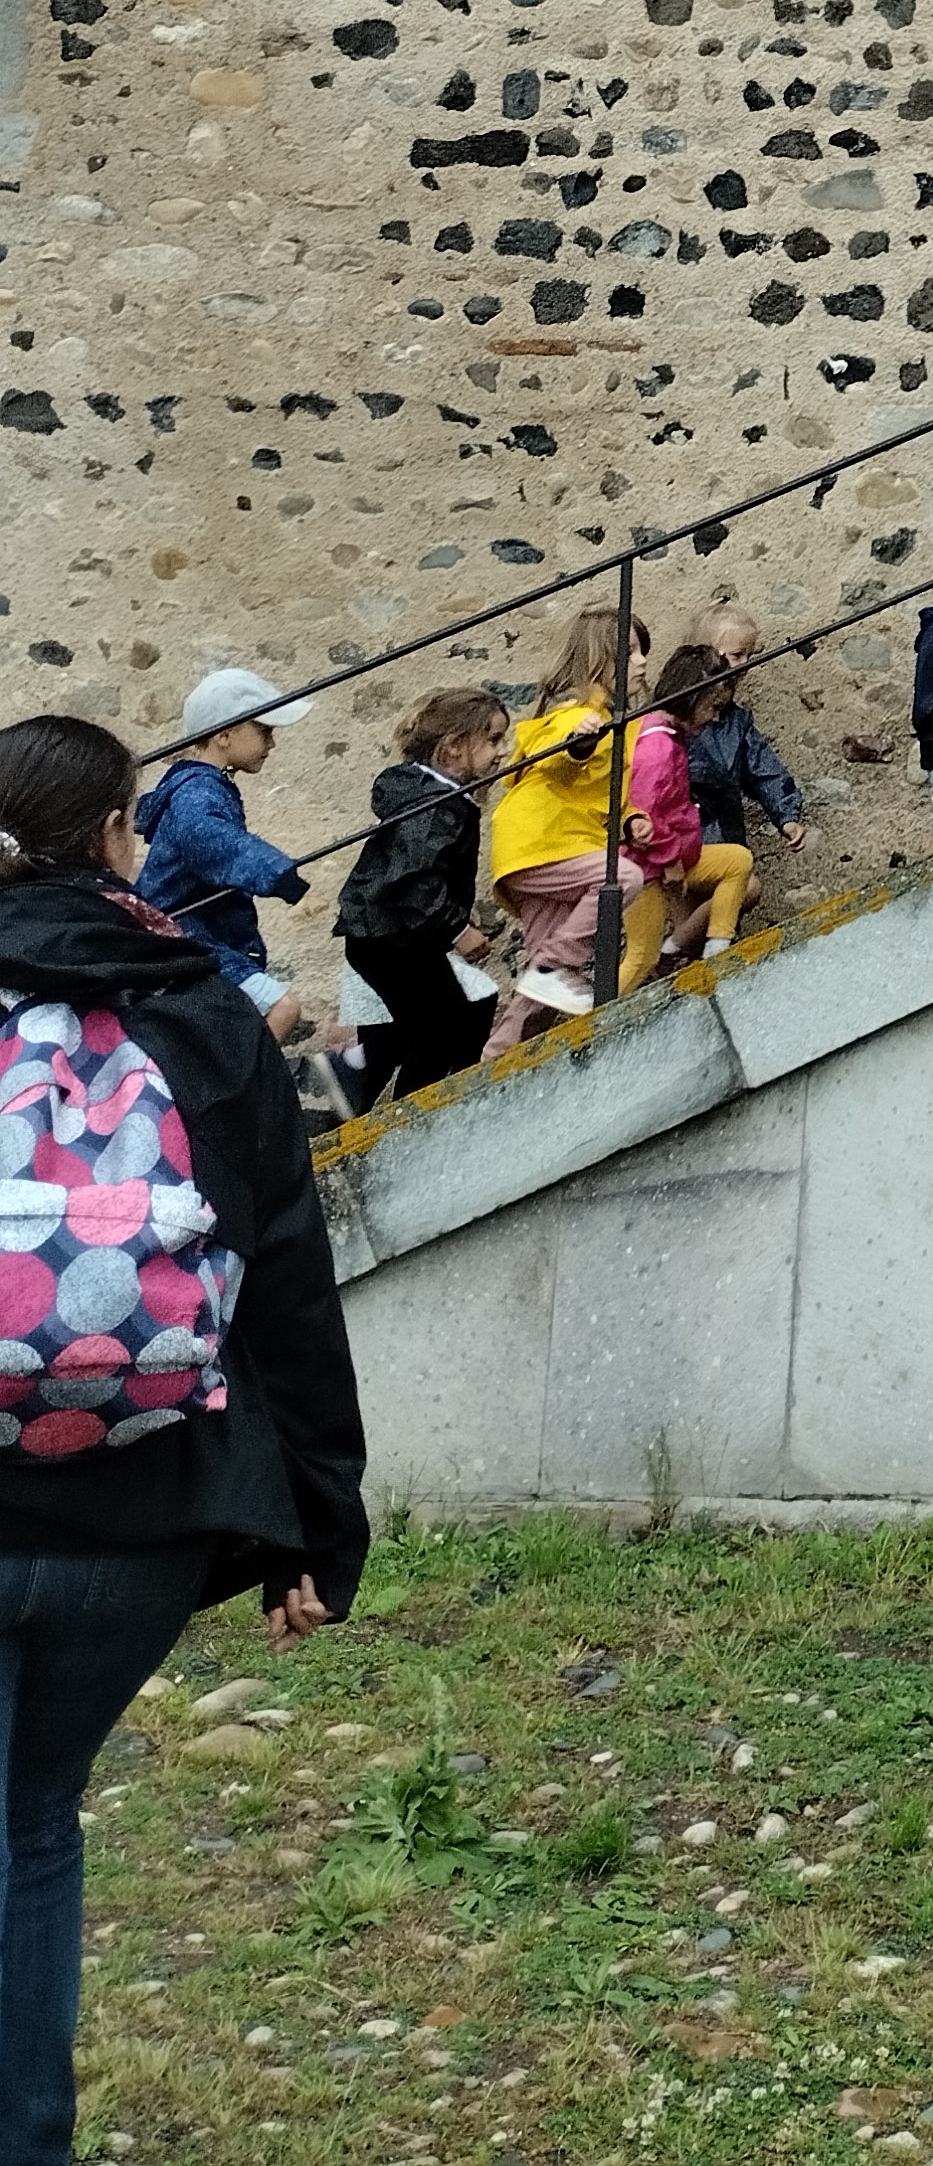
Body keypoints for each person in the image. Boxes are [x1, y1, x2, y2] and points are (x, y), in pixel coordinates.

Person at [0, 712, 368, 2166]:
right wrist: (315, 1527)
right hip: (139, 1509)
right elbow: (286, 1289)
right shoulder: (202, 1012)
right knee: (34, 1824)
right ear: (115, 837)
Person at [483, 608, 664, 1055]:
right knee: (623, 878)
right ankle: (553, 970)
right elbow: (554, 756)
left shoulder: (621, 724)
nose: (641, 662)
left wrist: (629, 820)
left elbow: (604, 794)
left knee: (542, 985)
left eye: (643, 651)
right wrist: (579, 742)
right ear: (595, 662)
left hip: (548, 848)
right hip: (542, 843)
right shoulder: (574, 714)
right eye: (629, 653)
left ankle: (495, 1057)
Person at [334, 680, 505, 1106]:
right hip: (391, 937)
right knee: (437, 1027)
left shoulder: (438, 795)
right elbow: (410, 879)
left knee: (455, 1013)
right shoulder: (433, 805)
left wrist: (458, 913)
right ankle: (411, 1116)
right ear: (452, 749)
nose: (503, 750)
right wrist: (455, 927)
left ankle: (357, 1080)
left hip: (394, 934)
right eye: (493, 740)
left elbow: (429, 873)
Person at [133, 669, 317, 1049]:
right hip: (183, 935)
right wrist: (280, 875)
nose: (272, 743)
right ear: (224, 734)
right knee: (281, 1008)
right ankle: (249, 1085)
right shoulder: (197, 793)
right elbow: (214, 841)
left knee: (227, 1028)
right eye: (264, 731)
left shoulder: (200, 785)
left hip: (191, 931)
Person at [624, 645, 755, 966]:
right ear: (692, 698)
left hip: (674, 854)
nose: (715, 716)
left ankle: (715, 944)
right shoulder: (657, 748)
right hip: (650, 865)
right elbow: (646, 812)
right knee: (640, 957)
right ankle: (604, 1013)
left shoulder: (666, 735)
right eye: (712, 706)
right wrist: (669, 859)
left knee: (737, 861)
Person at [682, 605, 809, 868]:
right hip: (684, 838)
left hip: (727, 836)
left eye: (749, 655)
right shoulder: (674, 717)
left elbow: (764, 769)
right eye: (737, 655)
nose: (745, 664)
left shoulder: (736, 722)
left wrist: (786, 816)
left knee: (737, 893)